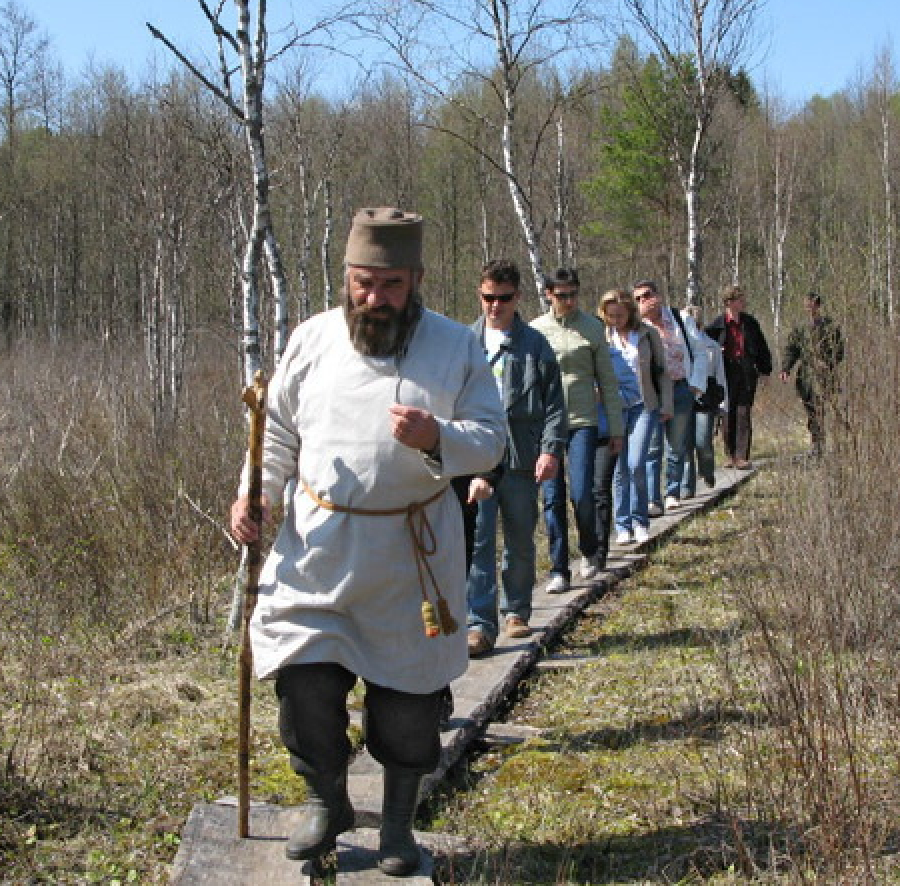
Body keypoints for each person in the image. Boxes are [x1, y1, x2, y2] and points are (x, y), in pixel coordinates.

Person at [228, 207, 505, 876]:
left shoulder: (454, 346)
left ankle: (400, 828)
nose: (373, 298)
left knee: (408, 711)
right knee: (303, 689)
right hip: (316, 551)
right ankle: (327, 801)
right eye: (361, 283)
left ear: (416, 279)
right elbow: (277, 433)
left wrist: (438, 436)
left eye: (389, 285)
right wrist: (256, 494)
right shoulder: (312, 340)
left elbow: (492, 440)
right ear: (345, 277)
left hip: (412, 560)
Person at [463, 260, 565, 658]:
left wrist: (550, 449)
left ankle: (517, 610)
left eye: (503, 298)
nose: (495, 306)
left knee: (520, 539)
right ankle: (479, 624)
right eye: (488, 297)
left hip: (522, 457)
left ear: (517, 297)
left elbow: (555, 403)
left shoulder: (534, 344)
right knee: (479, 542)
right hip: (477, 460)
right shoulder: (465, 342)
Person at [531, 268, 623, 595]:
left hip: (583, 420)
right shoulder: (535, 331)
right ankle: (558, 568)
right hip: (547, 425)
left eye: (573, 294)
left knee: (582, 492)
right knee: (552, 496)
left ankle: (589, 547)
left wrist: (616, 427)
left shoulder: (592, 328)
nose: (568, 301)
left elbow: (608, 382)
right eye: (561, 296)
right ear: (548, 295)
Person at [593, 289, 670, 552]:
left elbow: (662, 371)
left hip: (643, 406)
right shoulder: (601, 337)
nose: (616, 320)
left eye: (620, 315)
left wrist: (666, 404)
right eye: (610, 315)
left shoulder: (647, 335)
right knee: (619, 467)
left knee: (637, 462)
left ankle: (640, 520)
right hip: (613, 409)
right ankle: (622, 524)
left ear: (630, 313)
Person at [633, 280, 696, 512]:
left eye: (647, 295)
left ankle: (672, 490)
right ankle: (653, 499)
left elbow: (698, 350)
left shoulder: (679, 319)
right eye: (638, 299)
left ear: (657, 295)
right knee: (652, 446)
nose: (643, 301)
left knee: (676, 444)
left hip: (680, 387)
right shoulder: (637, 328)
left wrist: (695, 384)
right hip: (651, 392)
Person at [706, 284, 771, 470]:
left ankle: (742, 456)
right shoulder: (716, 326)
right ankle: (730, 454)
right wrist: (717, 351)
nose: (743, 302)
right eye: (739, 299)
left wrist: (765, 371)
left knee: (743, 413)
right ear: (729, 302)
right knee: (727, 414)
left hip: (746, 372)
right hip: (724, 374)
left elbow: (761, 348)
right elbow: (703, 348)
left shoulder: (750, 323)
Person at [778, 291, 845, 456]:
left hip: (825, 376)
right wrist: (786, 369)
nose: (808, 308)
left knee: (822, 408)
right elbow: (791, 350)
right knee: (811, 409)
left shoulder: (830, 327)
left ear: (817, 305)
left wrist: (828, 362)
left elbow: (839, 351)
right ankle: (816, 442)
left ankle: (825, 443)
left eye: (811, 304)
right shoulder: (800, 328)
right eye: (806, 305)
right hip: (806, 376)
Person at [681, 303, 727, 489]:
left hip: (705, 399)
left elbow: (720, 377)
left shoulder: (712, 347)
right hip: (683, 397)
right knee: (684, 444)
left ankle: (707, 471)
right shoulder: (677, 346)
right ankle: (686, 485)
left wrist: (723, 404)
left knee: (702, 441)